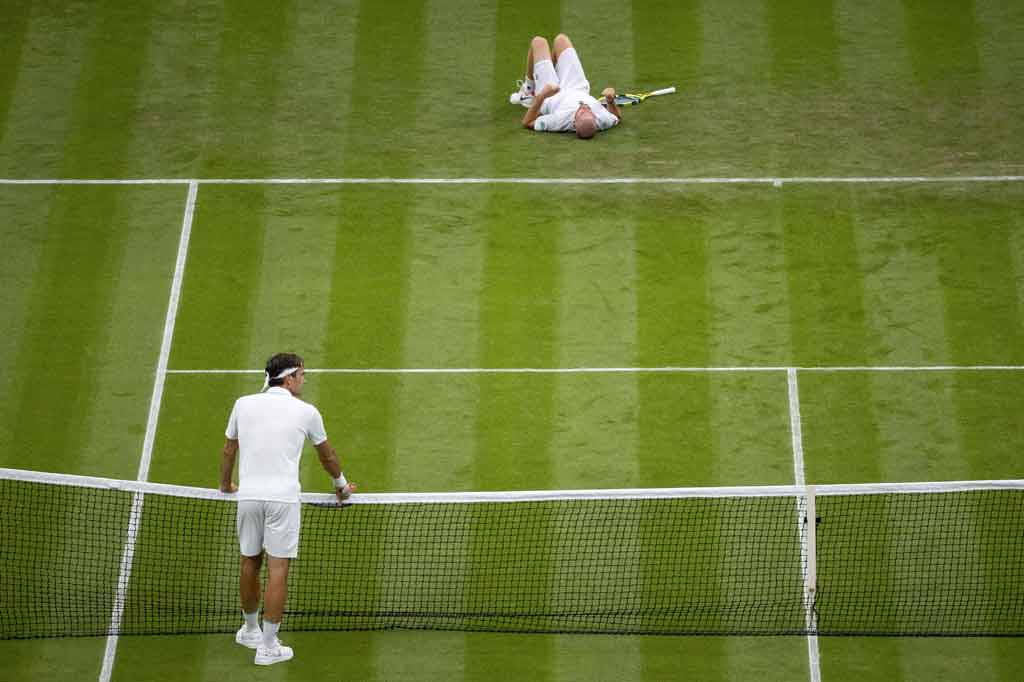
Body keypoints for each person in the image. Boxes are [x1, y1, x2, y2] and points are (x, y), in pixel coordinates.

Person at [219, 352, 356, 666]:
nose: (305, 380)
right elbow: (328, 456)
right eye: (303, 374)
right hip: (282, 500)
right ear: (290, 377)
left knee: (249, 562)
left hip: (249, 497)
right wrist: (341, 485)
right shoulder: (307, 412)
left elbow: (229, 449)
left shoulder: (243, 404)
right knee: (278, 570)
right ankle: (268, 647)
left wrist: (226, 485)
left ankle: (250, 630)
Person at [510, 33, 621, 139]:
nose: (585, 107)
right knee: (561, 40)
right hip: (577, 87)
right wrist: (610, 100)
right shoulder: (602, 120)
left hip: (551, 96)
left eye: (581, 112)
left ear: (574, 123)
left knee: (539, 42)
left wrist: (542, 96)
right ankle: (550, 71)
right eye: (590, 112)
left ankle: (529, 90)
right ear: (595, 121)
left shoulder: (559, 121)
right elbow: (616, 117)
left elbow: (527, 122)